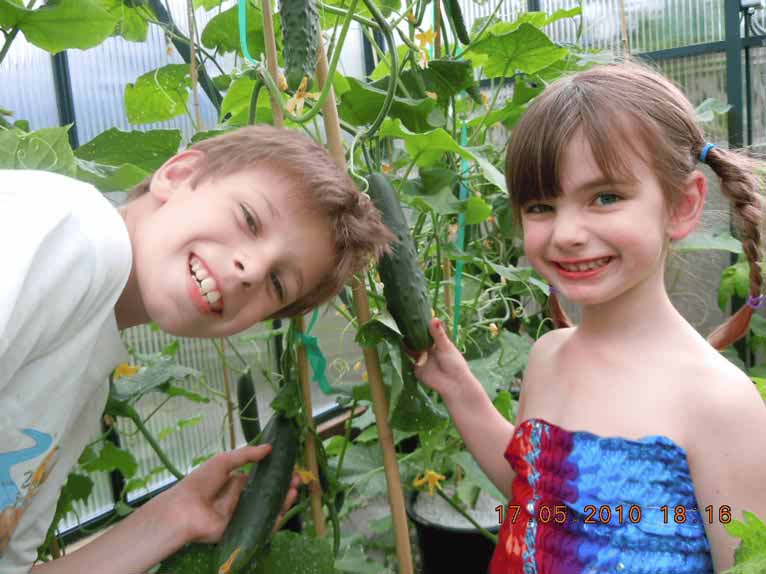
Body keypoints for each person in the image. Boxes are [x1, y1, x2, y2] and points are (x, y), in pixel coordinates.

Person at [414, 60, 766, 573]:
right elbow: (534, 498)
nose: (567, 233)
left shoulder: (719, 403)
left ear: (682, 206)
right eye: (540, 206)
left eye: (605, 198)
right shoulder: (548, 355)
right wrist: (457, 386)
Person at [1, 125, 393, 573]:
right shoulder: (73, 233)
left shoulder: (84, 384)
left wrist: (172, 518)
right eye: (249, 219)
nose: (253, 267)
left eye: (278, 283)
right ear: (178, 174)